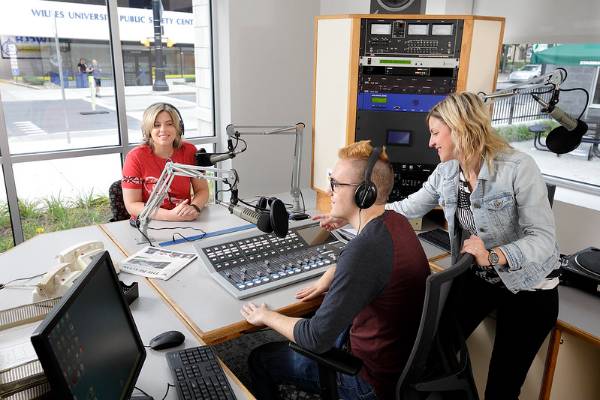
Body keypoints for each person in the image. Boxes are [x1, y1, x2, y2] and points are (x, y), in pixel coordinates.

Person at [317, 92, 560, 400]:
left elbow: (543, 238)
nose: (430, 142)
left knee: (503, 385)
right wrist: (350, 214)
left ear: (460, 128)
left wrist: (494, 255)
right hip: (480, 277)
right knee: (431, 355)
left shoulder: (518, 167)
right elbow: (407, 207)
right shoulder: (446, 172)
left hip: (530, 288)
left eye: (435, 133)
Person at [241, 141, 430, 400]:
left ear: (364, 193)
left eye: (335, 184)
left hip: (368, 382)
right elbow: (366, 257)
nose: (329, 191)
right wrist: (337, 268)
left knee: (260, 358)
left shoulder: (365, 250)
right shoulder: (396, 222)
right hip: (399, 364)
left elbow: (314, 338)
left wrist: (267, 316)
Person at [122, 103, 209, 221]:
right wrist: (170, 216)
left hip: (185, 221)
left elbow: (202, 190)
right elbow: (132, 205)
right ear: (147, 130)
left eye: (169, 124)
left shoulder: (189, 151)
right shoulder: (135, 157)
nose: (163, 130)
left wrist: (194, 207)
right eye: (156, 125)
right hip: (149, 224)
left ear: (178, 128)